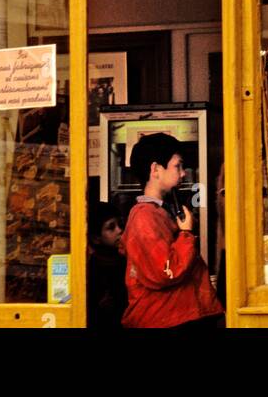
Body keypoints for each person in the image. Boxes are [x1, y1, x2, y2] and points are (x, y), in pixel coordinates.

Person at [120, 132, 224, 330]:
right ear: (155, 169)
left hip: (175, 316)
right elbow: (165, 271)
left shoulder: (159, 211)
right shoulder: (144, 217)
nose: (183, 173)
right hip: (166, 319)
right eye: (178, 165)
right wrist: (185, 235)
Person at [87, 201, 128, 330]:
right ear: (96, 238)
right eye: (111, 227)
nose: (119, 230)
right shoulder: (93, 269)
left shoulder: (125, 259)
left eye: (120, 225)